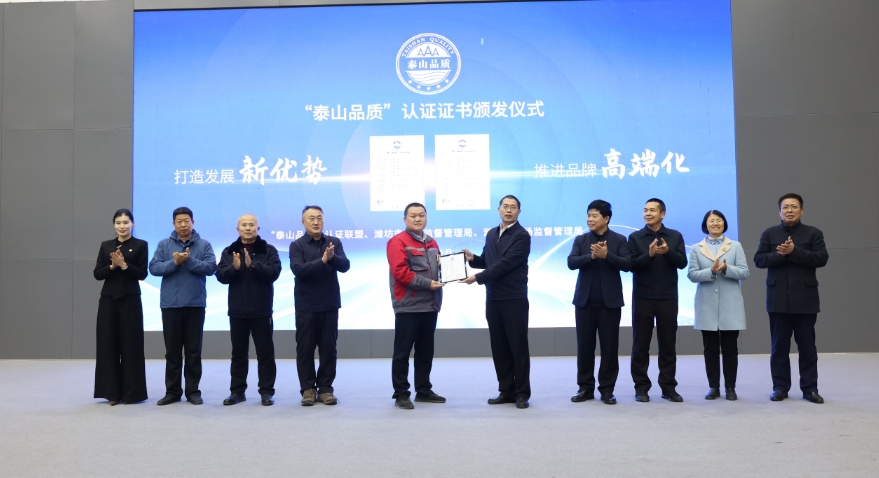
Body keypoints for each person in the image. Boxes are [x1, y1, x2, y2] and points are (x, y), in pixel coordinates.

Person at [754, 193, 829, 404]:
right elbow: (759, 260)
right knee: (779, 348)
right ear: (779, 211)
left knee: (807, 348)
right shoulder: (769, 233)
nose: (789, 210)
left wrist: (795, 251)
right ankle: (779, 387)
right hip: (778, 299)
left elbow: (821, 258)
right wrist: (780, 254)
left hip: (805, 300)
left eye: (794, 206)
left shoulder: (814, 233)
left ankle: (810, 388)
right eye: (785, 207)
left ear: (801, 210)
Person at [463, 195, 532, 409]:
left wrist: (478, 278)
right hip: (493, 297)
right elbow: (489, 261)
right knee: (499, 347)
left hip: (514, 298)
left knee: (517, 347)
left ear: (519, 212)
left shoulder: (522, 235)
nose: (509, 210)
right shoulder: (492, 233)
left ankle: (522, 393)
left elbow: (506, 264)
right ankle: (506, 391)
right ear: (498, 209)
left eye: (513, 207)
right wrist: (473, 259)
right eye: (505, 206)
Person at [148, 207, 216, 405]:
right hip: (170, 305)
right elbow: (154, 268)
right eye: (179, 221)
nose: (183, 225)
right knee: (172, 351)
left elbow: (211, 267)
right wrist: (175, 263)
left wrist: (189, 260)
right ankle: (172, 392)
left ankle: (193, 391)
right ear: (173, 224)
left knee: (193, 351)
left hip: (195, 304)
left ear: (193, 222)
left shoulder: (204, 244)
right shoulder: (164, 244)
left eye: (187, 221)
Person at [567, 200, 632, 405]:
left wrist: (607, 255)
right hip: (584, 302)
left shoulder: (619, 239)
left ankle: (607, 390)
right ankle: (585, 388)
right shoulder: (581, 240)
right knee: (584, 347)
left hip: (609, 303)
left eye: (594, 215)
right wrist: (592, 257)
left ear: (606, 218)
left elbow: (628, 264)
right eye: (588, 215)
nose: (590, 219)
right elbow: (571, 262)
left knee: (609, 348)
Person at [216, 214, 281, 406]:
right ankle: (237, 391)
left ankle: (266, 392)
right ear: (238, 229)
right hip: (238, 311)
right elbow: (220, 276)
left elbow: (274, 273)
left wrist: (253, 266)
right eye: (243, 225)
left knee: (265, 354)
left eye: (251, 225)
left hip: (262, 311)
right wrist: (234, 269)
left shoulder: (268, 250)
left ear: (258, 229)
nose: (247, 228)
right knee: (238, 354)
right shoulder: (229, 251)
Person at [386, 202, 445, 410]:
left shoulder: (432, 242)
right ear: (405, 219)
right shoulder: (397, 241)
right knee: (402, 352)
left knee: (425, 351)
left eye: (421, 215)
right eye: (413, 216)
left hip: (430, 305)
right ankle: (401, 393)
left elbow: (440, 268)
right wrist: (428, 284)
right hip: (408, 305)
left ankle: (423, 390)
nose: (418, 219)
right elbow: (400, 272)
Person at [289, 206, 350, 406]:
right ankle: (308, 389)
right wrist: (322, 261)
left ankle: (325, 389)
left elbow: (345, 266)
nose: (316, 222)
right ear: (303, 222)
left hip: (329, 304)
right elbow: (298, 270)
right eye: (311, 218)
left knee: (328, 349)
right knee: (305, 349)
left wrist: (333, 259)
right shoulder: (297, 245)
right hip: (306, 305)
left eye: (319, 218)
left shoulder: (334, 242)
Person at [628, 198, 687, 402]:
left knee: (668, 345)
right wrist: (649, 254)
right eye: (645, 210)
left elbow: (682, 262)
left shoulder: (674, 236)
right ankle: (641, 388)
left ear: (662, 214)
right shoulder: (635, 237)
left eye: (652, 210)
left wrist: (668, 252)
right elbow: (631, 265)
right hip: (643, 297)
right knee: (640, 345)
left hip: (668, 297)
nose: (648, 213)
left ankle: (668, 387)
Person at [687, 210, 750, 401]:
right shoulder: (697, 248)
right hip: (706, 305)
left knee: (730, 349)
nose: (715, 223)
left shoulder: (735, 246)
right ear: (705, 224)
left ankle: (730, 387)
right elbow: (692, 275)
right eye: (711, 220)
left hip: (730, 305)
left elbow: (744, 272)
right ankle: (713, 387)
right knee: (710, 349)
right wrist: (712, 271)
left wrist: (726, 269)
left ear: (724, 223)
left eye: (719, 220)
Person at [92, 208, 149, 406]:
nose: (122, 226)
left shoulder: (140, 245)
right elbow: (97, 273)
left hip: (130, 299)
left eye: (125, 222)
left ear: (133, 223)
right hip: (108, 300)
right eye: (118, 223)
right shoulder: (106, 245)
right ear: (114, 225)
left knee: (131, 345)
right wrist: (112, 266)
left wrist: (124, 266)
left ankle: (132, 393)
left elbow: (142, 274)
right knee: (107, 344)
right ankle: (112, 393)